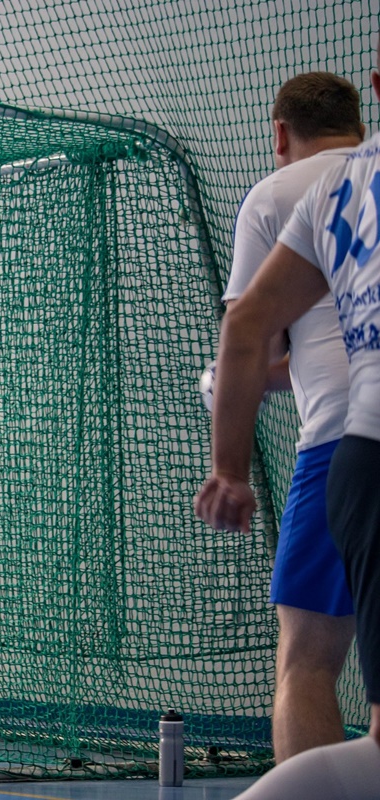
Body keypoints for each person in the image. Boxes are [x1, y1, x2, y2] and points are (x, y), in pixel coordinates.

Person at [194, 38, 380, 799]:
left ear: (278, 132)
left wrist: (228, 462)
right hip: (354, 426)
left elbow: (251, 337)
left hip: (348, 441)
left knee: (307, 658)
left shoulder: (296, 193)